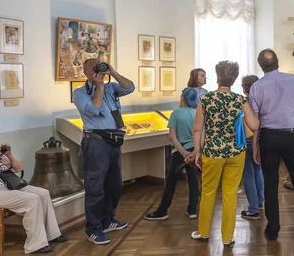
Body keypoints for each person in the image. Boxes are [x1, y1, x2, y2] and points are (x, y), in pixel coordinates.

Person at [249, 49, 294, 241]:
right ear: (278, 62)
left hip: (268, 137)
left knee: (270, 184)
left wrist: (255, 146)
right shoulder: (293, 80)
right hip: (291, 135)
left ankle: (273, 229)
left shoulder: (256, 87)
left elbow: (256, 122)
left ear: (260, 65)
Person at [190, 61, 259, 245]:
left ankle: (203, 231)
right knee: (230, 194)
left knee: (208, 192)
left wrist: (197, 152)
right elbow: (254, 125)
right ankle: (227, 237)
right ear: (235, 78)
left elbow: (197, 129)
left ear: (217, 76)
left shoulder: (206, 99)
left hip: (212, 152)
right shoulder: (240, 100)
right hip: (236, 152)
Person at [73, 59, 135, 245]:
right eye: (93, 69)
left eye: (100, 67)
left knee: (115, 184)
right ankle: (93, 227)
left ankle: (108, 220)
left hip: (114, 140)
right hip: (95, 142)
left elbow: (130, 87)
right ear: (85, 72)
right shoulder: (79, 93)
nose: (98, 71)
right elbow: (95, 109)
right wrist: (99, 87)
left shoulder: (112, 87)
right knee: (95, 187)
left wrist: (113, 72)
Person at [0, 126, 67, 254]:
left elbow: (18, 168)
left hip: (5, 186)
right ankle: (35, 245)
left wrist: (9, 155)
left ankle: (51, 234)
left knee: (43, 193)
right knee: (32, 199)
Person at [145, 87, 201, 221]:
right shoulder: (197, 114)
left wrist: (183, 152)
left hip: (180, 152)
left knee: (171, 182)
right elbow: (201, 134)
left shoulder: (176, 114)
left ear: (182, 98)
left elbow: (172, 137)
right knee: (193, 181)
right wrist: (194, 152)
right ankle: (192, 209)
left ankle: (162, 210)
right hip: (193, 151)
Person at [240, 75, 264, 220]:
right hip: (262, 139)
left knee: (248, 174)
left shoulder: (245, 102)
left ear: (244, 88)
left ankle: (253, 209)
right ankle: (260, 202)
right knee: (258, 171)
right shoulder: (263, 101)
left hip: (248, 140)